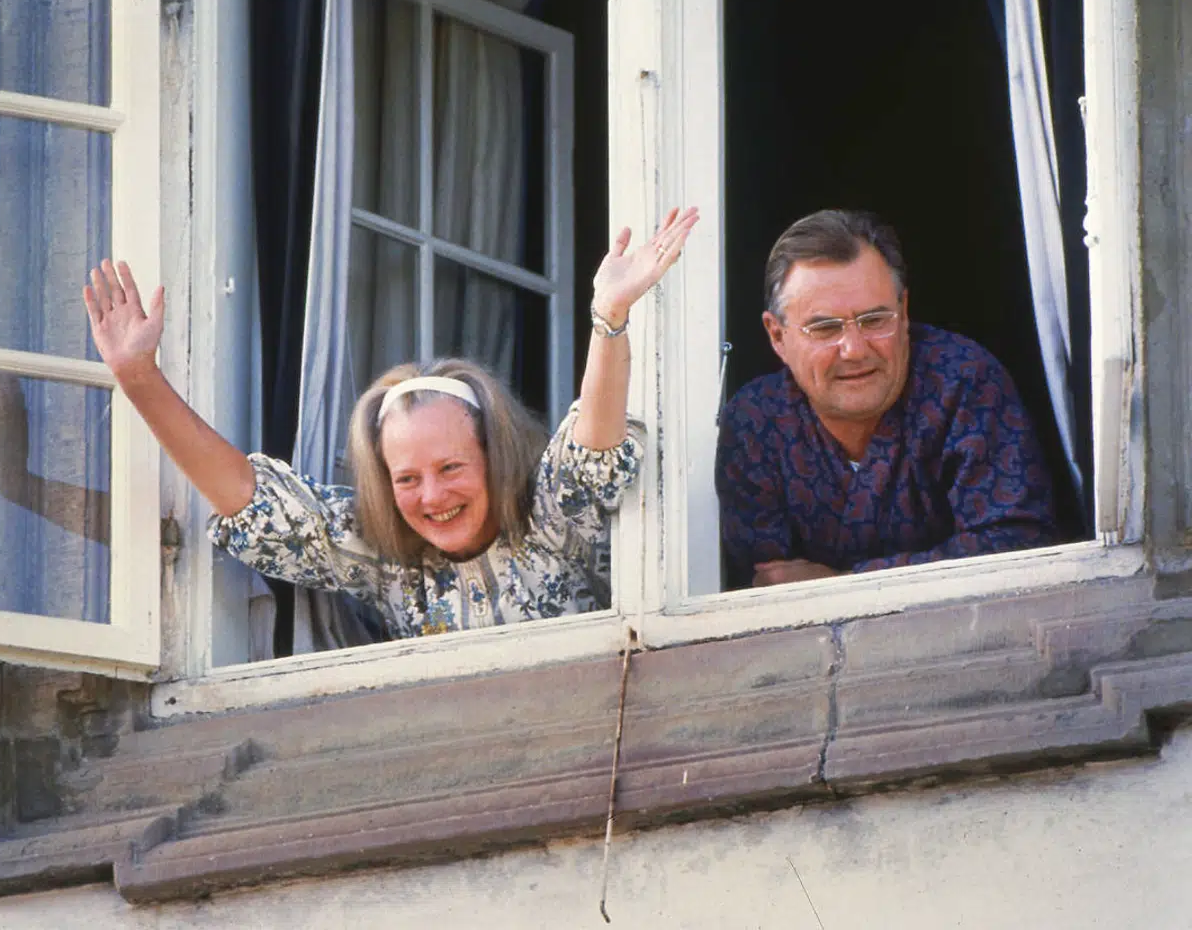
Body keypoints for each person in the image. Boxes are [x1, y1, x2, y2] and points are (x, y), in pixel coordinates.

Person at [82, 207, 699, 637]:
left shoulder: (548, 520)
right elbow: (251, 501)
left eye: (451, 467)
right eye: (407, 478)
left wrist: (609, 314)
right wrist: (139, 377)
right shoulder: (383, 559)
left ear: (496, 455)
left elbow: (592, 446)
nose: (432, 496)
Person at [715, 209, 1059, 589]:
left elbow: (1019, 546)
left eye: (875, 320)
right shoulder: (754, 424)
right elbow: (770, 586)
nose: (854, 349)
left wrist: (845, 584)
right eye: (825, 328)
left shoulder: (964, 383)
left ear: (904, 311)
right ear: (778, 336)